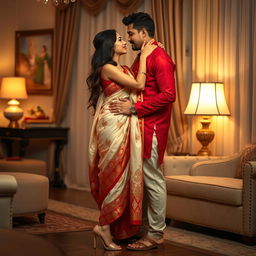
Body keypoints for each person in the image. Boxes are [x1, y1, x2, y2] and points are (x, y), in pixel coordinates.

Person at [109, 12, 176, 250]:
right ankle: (145, 230)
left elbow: (169, 95)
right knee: (142, 181)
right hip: (141, 126)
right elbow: (135, 81)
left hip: (152, 128)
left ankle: (156, 234)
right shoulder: (145, 55)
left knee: (153, 180)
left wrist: (135, 108)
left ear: (143, 33)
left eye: (131, 33)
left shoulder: (159, 57)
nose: (130, 38)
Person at [87, 29, 156, 251]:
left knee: (121, 175)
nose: (124, 41)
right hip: (112, 124)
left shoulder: (121, 68)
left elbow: (134, 84)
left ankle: (108, 226)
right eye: (119, 39)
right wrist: (145, 57)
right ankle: (104, 227)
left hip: (121, 121)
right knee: (112, 175)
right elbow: (138, 85)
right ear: (109, 45)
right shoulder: (108, 67)